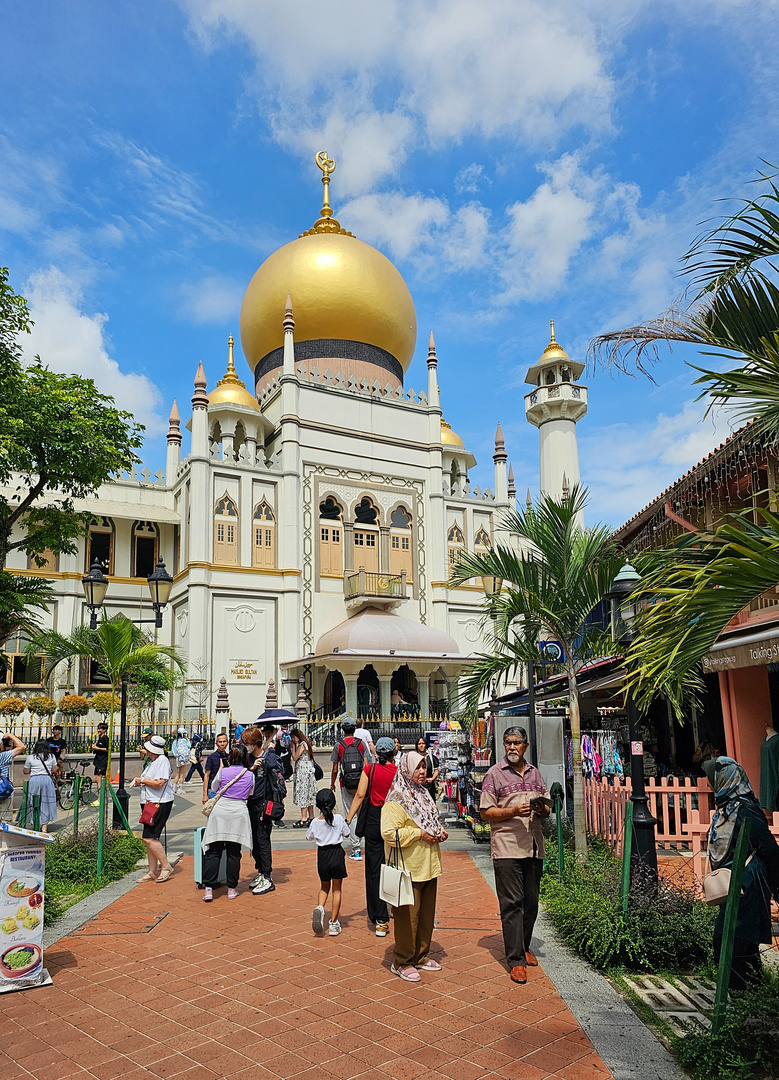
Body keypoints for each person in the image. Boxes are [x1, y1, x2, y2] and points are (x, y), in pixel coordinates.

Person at [479, 726, 550, 985]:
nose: (511, 747)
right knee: (512, 903)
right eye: (507, 742)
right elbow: (486, 812)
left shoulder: (535, 774)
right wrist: (512, 812)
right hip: (507, 847)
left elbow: (546, 811)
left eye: (517, 743)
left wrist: (542, 809)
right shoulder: (494, 775)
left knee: (531, 903)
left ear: (525, 747)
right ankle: (516, 960)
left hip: (533, 846)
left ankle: (525, 945)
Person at [703, 756, 779, 990]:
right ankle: (747, 997)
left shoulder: (745, 811)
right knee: (730, 939)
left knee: (739, 941)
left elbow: (768, 848)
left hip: (748, 884)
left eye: (713, 779)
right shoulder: (726, 808)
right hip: (732, 884)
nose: (709, 784)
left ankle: (745, 999)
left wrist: (778, 887)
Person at [380, 751, 448, 982]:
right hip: (408, 868)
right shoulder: (396, 800)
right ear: (406, 770)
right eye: (417, 767)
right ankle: (402, 960)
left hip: (428, 865)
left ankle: (420, 955)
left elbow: (431, 822)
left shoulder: (423, 794)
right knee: (408, 918)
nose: (422, 771)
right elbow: (388, 833)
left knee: (426, 916)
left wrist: (439, 832)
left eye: (424, 767)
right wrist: (418, 833)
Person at [345, 735, 398, 937]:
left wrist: (349, 818)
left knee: (374, 869)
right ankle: (395, 907)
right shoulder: (398, 772)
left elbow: (359, 795)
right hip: (393, 819)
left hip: (374, 820)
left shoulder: (370, 769)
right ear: (393, 753)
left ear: (377, 753)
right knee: (394, 864)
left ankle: (380, 918)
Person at [202, 743, 253, 902]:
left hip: (220, 812)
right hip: (238, 813)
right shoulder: (249, 774)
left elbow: (214, 786)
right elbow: (250, 792)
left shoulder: (223, 771)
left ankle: (208, 889)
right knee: (233, 852)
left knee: (214, 851)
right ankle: (232, 889)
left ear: (230, 757)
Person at [242, 723, 283, 895]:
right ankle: (259, 870)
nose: (246, 746)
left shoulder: (268, 757)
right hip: (250, 804)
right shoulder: (248, 759)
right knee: (255, 842)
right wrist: (251, 769)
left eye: (248, 743)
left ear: (255, 742)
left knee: (263, 840)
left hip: (264, 805)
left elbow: (276, 769)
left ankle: (267, 876)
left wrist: (271, 748)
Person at [131, 734, 176, 883]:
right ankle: (152, 871)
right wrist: (142, 782)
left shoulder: (162, 761)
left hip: (159, 803)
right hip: (150, 802)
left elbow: (159, 783)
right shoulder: (153, 762)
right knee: (151, 838)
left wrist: (142, 780)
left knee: (148, 837)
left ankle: (165, 866)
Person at [308, 789, 349, 937]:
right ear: (333, 803)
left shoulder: (315, 822)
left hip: (323, 856)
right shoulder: (338, 819)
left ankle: (320, 907)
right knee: (336, 889)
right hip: (336, 854)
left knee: (324, 886)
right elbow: (347, 833)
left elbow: (309, 837)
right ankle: (333, 923)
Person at [330, 720, 369, 860]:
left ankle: (356, 848)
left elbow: (335, 768)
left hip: (345, 784)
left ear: (342, 729)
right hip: (361, 783)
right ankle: (364, 841)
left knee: (351, 814)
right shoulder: (361, 743)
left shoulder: (338, 745)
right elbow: (366, 765)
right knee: (361, 812)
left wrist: (332, 784)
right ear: (354, 729)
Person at [21, 739, 58, 831]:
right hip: (47, 780)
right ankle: (44, 827)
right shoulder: (51, 756)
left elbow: (26, 771)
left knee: (33, 801)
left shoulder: (31, 757)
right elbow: (54, 769)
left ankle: (35, 822)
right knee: (46, 802)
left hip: (35, 780)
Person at [290, 727, 318, 827]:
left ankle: (304, 818)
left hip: (303, 773)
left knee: (303, 794)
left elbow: (294, 757)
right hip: (307, 772)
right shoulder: (306, 744)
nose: (293, 740)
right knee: (309, 794)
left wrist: (293, 747)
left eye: (293, 737)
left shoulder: (302, 745)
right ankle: (311, 817)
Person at [0, 732, 26, 816]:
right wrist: (10, 735)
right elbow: (22, 747)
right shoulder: (3, 757)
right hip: (4, 793)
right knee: (5, 823)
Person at [203, 733, 230, 800]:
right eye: (220, 742)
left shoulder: (229, 757)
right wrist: (204, 794)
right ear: (216, 743)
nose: (222, 744)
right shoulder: (211, 757)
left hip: (225, 790)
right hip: (213, 791)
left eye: (224, 741)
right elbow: (207, 775)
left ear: (227, 743)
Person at [416, 737, 439, 801]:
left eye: (423, 743)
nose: (421, 745)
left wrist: (432, 779)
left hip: (430, 787)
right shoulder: (414, 757)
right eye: (419, 744)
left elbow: (436, 770)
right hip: (418, 787)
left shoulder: (431, 758)